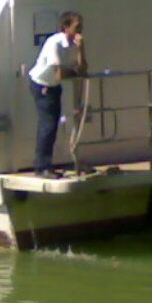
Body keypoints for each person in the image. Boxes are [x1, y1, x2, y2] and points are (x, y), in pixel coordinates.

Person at [28, 11, 87, 179]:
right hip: (42, 85)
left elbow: (83, 70)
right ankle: (42, 167)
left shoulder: (75, 44)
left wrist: (81, 49)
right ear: (65, 28)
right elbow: (59, 74)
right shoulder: (54, 43)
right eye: (77, 27)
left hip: (54, 86)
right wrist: (74, 72)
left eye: (81, 27)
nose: (80, 31)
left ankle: (46, 165)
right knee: (48, 126)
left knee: (52, 126)